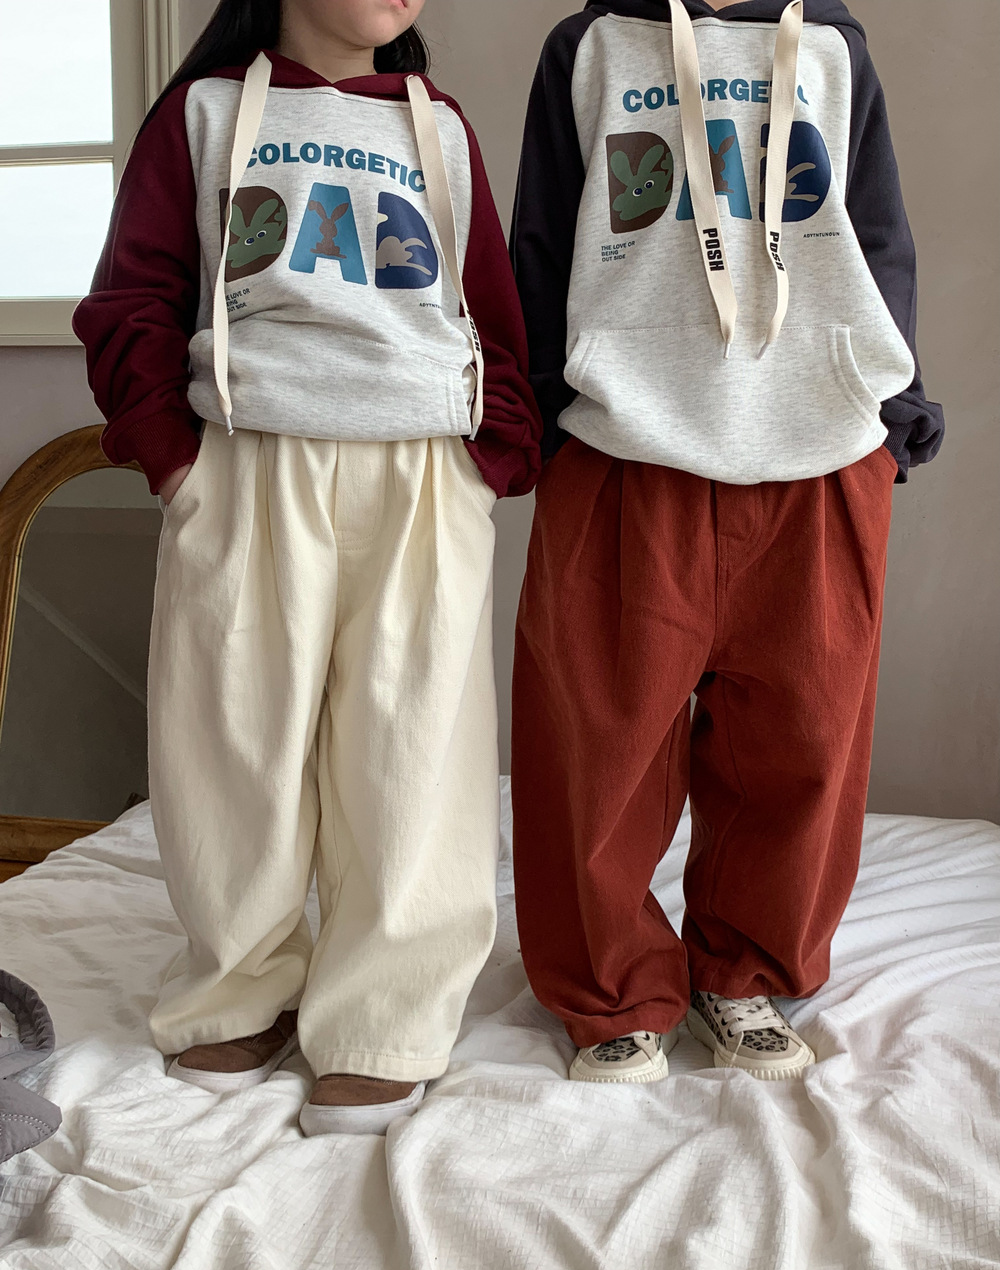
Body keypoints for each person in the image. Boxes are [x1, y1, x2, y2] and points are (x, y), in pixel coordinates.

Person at [74, 0, 541, 1135]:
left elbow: (488, 305)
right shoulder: (202, 114)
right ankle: (238, 985)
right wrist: (176, 458)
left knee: (413, 745)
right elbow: (133, 295)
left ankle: (384, 1015)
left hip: (422, 468)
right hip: (248, 458)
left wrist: (490, 458)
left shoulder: (439, 126)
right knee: (232, 734)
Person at [508, 0, 943, 1084]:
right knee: (596, 749)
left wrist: (892, 403)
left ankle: (742, 971)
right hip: (626, 441)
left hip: (818, 449)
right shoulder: (591, 47)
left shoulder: (832, 49)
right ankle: (611, 987)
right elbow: (542, 239)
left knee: (803, 742)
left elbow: (875, 234)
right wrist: (540, 414)